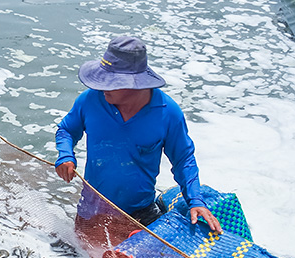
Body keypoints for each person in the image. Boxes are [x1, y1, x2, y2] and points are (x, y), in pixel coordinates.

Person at [54, 36, 222, 233]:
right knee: (82, 252)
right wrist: (65, 155)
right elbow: (66, 130)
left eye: (110, 82)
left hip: (140, 213)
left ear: (134, 83)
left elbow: (183, 159)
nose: (101, 87)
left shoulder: (167, 112)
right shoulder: (90, 100)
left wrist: (195, 201)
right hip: (92, 210)